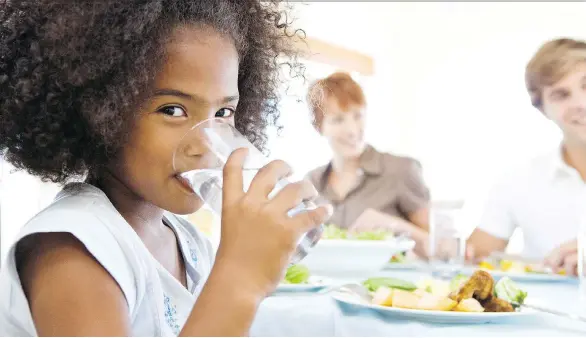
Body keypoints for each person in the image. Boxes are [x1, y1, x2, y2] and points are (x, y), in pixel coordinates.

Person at [0, 1, 331, 336]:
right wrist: (240, 279)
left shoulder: (188, 243)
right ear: (101, 112)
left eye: (223, 113)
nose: (205, 144)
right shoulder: (72, 250)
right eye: (172, 110)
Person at [467, 38, 586, 275]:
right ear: (542, 109)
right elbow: (474, 256)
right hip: (551, 311)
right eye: (561, 95)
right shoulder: (519, 179)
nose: (581, 103)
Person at [305, 72, 431, 256]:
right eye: (338, 119)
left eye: (357, 115)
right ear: (319, 127)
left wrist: (392, 225)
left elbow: (439, 249)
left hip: (388, 285)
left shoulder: (401, 170)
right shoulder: (312, 183)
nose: (352, 130)